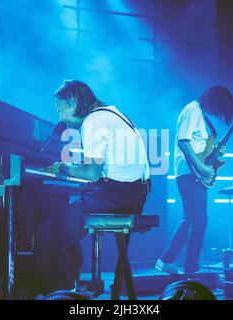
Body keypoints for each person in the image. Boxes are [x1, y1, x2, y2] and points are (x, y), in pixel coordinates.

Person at [35, 80, 151, 293]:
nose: (61, 118)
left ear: (73, 101)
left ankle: (59, 295)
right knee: (65, 235)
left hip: (117, 196)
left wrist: (62, 167)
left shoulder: (94, 121)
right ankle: (71, 289)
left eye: (61, 111)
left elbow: (91, 173)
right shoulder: (111, 114)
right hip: (132, 195)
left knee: (45, 235)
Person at [156, 85, 233, 275]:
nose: (217, 113)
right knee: (198, 220)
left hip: (194, 173)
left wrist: (214, 153)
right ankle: (190, 268)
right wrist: (201, 168)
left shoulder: (200, 114)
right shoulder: (192, 110)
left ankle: (166, 260)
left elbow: (199, 147)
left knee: (191, 218)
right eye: (219, 109)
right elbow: (183, 141)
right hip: (188, 172)